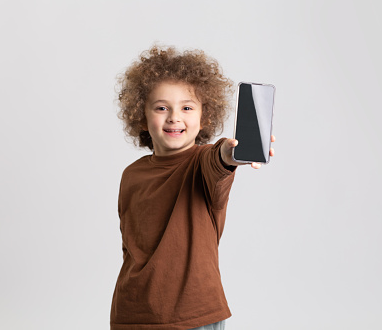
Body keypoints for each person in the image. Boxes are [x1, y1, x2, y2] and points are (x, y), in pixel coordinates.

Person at [111, 45, 275, 330]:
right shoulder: (131, 175)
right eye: (162, 108)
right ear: (141, 116)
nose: (174, 117)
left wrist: (231, 152)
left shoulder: (202, 164)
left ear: (205, 117)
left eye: (187, 108)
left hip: (193, 316)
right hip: (132, 314)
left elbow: (220, 159)